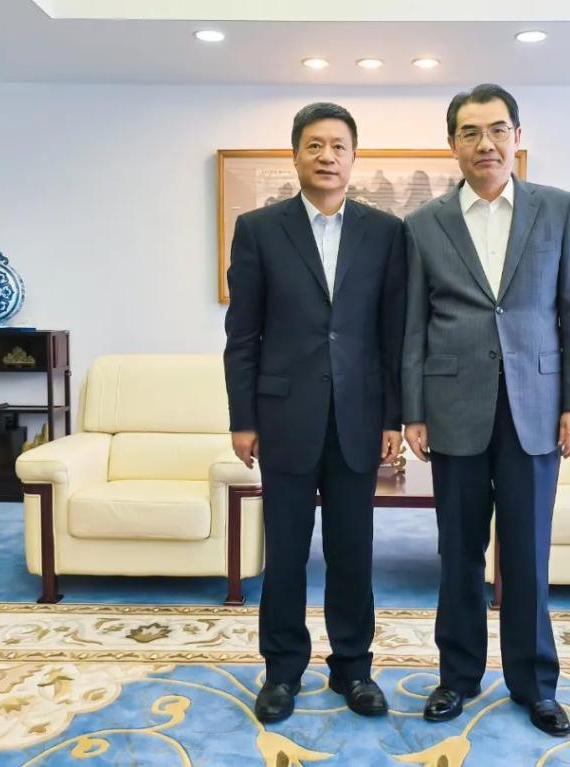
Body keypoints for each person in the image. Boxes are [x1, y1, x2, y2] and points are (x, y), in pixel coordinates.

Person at [402, 84, 570, 736]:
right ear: (452, 144)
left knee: (527, 554)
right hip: (452, 408)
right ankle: (457, 677)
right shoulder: (423, 224)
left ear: (516, 135)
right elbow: (412, 325)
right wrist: (412, 410)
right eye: (470, 132)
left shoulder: (559, 209)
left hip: (535, 409)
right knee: (458, 553)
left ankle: (535, 684)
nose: (484, 143)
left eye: (496, 130)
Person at [224, 102, 406, 723]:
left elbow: (391, 334)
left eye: (338, 146)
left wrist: (392, 419)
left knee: (354, 552)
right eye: (315, 145)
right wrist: (243, 418)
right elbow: (242, 334)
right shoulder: (259, 229)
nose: (327, 157)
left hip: (359, 418)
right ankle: (282, 671)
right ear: (296, 154)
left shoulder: (384, 232)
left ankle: (353, 668)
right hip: (284, 418)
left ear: (354, 157)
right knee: (286, 553)